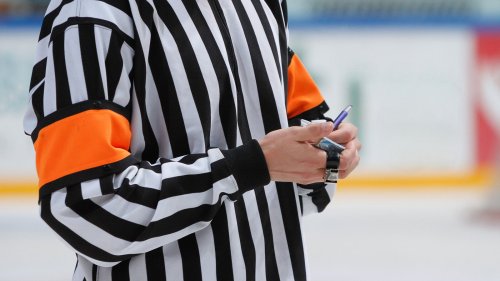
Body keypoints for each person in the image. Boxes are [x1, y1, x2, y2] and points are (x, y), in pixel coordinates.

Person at [23, 0, 361, 280]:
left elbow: (299, 172)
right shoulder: (91, 13)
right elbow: (85, 207)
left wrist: (327, 158)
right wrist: (247, 167)